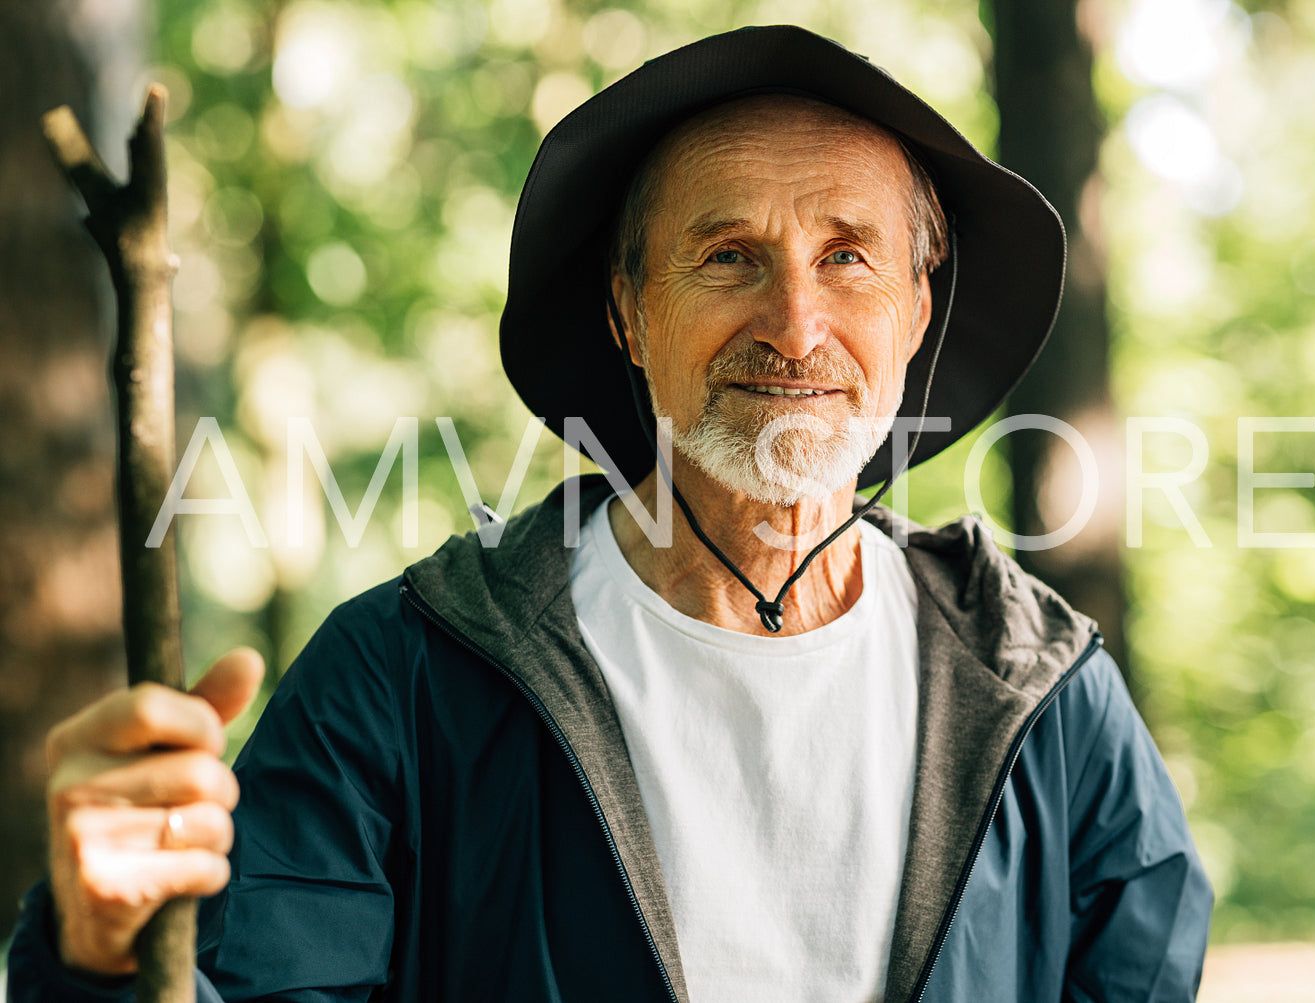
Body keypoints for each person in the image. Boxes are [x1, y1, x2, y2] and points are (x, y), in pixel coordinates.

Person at [8, 25, 1212, 1003]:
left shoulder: (1042, 692)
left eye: (847, 258)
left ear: (913, 310)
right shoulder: (404, 680)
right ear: (629, 314)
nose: (793, 326)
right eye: (729, 256)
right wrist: (103, 960)